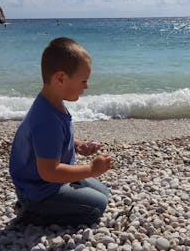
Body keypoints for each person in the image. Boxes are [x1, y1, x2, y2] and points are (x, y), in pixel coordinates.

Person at [9, 37, 113, 226]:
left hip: (50, 182)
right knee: (98, 206)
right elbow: (49, 172)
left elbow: (54, 141)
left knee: (104, 193)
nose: (86, 86)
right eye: (83, 81)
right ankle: (32, 213)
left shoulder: (52, 103)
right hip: (39, 191)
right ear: (61, 78)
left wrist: (78, 145)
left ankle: (55, 200)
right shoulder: (47, 120)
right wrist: (91, 169)